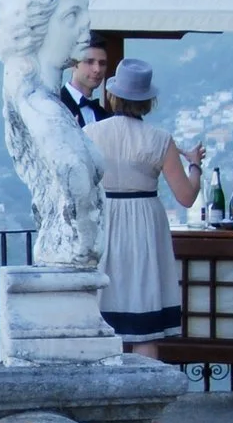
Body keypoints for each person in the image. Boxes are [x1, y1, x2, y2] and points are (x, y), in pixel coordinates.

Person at [86, 58, 204, 356]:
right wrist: (196, 167)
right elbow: (186, 197)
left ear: (113, 95)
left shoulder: (90, 134)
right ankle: (147, 395)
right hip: (144, 224)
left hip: (105, 220)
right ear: (148, 101)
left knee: (103, 314)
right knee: (144, 321)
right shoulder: (160, 140)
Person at [59, 41, 112, 127]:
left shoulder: (103, 114)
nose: (97, 69)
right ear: (73, 63)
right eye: (89, 62)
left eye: (102, 63)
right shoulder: (56, 105)